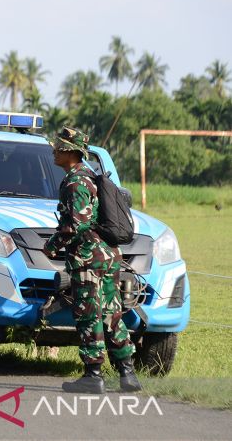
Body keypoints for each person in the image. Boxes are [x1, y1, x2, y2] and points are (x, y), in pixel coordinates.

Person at [42, 127, 141, 394]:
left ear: (71, 152)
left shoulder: (76, 182)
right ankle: (127, 374)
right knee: (112, 313)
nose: (54, 152)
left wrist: (51, 246)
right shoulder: (90, 177)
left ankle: (93, 374)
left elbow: (77, 223)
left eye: (59, 148)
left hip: (88, 259)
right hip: (107, 256)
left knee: (89, 314)